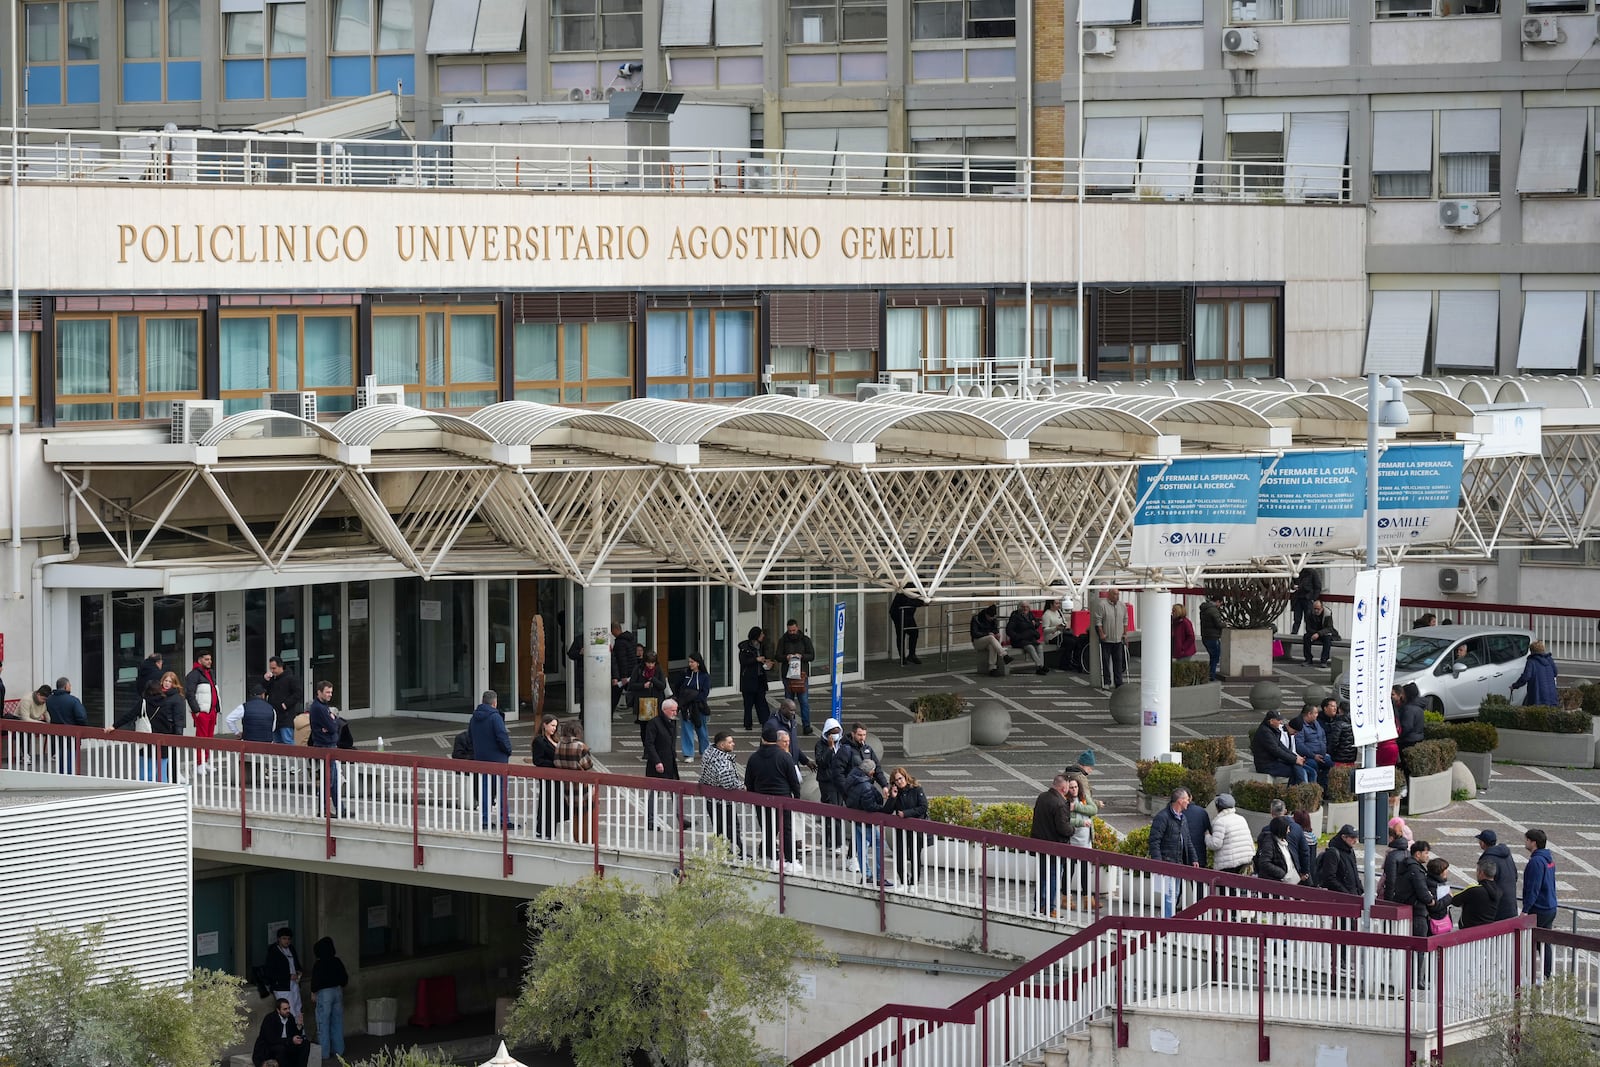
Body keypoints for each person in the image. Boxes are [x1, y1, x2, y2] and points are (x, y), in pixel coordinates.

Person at [745, 722, 802, 870]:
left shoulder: (754, 758)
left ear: (762, 739)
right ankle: (790, 860)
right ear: (776, 741)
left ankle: (772, 859)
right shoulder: (784, 757)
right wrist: (796, 797)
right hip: (783, 798)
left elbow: (748, 782)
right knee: (786, 829)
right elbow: (793, 781)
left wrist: (753, 796)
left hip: (761, 799)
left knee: (768, 829)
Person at [1149, 788, 1200, 917]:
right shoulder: (1163, 817)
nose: (1189, 802)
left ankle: (1168, 921)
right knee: (1170, 895)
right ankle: (1168, 923)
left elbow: (1187, 840)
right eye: (1187, 800)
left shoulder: (1182, 818)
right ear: (1180, 801)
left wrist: (1194, 859)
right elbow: (1154, 841)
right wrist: (1158, 863)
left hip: (1177, 862)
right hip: (1167, 862)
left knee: (1174, 893)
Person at [842, 757, 891, 887]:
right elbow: (870, 806)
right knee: (878, 843)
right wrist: (883, 809)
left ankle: (867, 875)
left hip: (856, 819)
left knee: (861, 848)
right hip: (866, 820)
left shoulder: (851, 778)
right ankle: (879, 876)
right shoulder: (866, 786)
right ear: (871, 771)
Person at [469, 690, 513, 830]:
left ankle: (485, 819)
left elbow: (470, 736)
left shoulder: (474, 718)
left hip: (481, 759)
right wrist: (508, 750)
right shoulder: (495, 717)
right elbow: (502, 736)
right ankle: (504, 819)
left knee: (485, 790)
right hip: (498, 759)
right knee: (501, 790)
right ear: (495, 702)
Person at [1031, 775, 1074, 918]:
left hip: (1040, 845)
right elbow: (1063, 829)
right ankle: (1051, 908)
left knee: (1043, 877)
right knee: (1053, 878)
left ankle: (1039, 906)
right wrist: (1073, 829)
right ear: (1064, 787)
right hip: (1055, 847)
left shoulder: (1042, 797)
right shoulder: (1060, 804)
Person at [698, 730, 745, 859]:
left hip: (711, 799)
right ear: (722, 745)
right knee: (732, 828)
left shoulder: (708, 753)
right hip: (723, 801)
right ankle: (736, 852)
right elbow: (729, 784)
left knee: (719, 828)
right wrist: (743, 787)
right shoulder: (722, 762)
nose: (733, 744)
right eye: (730, 742)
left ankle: (722, 851)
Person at [885, 767, 929, 890]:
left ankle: (914, 882)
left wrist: (906, 813)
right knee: (900, 855)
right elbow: (887, 811)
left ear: (905, 777)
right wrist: (892, 797)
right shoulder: (896, 792)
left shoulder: (916, 789)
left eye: (900, 778)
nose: (899, 782)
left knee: (915, 855)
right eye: (896, 780)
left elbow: (923, 807)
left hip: (915, 828)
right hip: (900, 829)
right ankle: (903, 881)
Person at [1523, 828, 1558, 979]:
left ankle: (1532, 975)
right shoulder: (1548, 859)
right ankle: (1546, 974)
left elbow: (1533, 888)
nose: (1525, 842)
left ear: (1533, 842)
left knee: (1532, 941)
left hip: (1540, 908)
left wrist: (1525, 910)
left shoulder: (1536, 861)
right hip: (1550, 906)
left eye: (1527, 840)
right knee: (1545, 943)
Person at [643, 698, 683, 831]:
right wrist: (657, 761)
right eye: (672, 710)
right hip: (658, 764)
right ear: (664, 710)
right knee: (654, 793)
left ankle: (681, 819)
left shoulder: (672, 722)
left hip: (670, 762)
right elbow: (649, 744)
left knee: (675, 791)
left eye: (676, 710)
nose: (675, 713)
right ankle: (650, 821)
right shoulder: (654, 723)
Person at [1061, 774, 1098, 909]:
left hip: (1085, 841)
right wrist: (1081, 822)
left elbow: (1093, 809)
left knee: (1084, 871)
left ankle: (1088, 900)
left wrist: (1076, 807)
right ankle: (1066, 898)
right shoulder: (1064, 801)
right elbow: (1066, 821)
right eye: (1071, 787)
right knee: (1068, 871)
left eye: (1076, 787)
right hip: (1073, 841)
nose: (1074, 790)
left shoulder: (1083, 798)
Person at [309, 937, 348, 1061]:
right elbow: (344, 979)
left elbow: (315, 982)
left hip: (324, 994)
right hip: (337, 991)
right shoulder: (337, 961)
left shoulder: (319, 964)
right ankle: (339, 1051)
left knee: (323, 1023)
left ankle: (324, 1053)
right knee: (337, 1022)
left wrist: (314, 992)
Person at [775, 619, 816, 734]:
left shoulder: (805, 640)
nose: (792, 632)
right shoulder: (783, 640)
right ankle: (788, 725)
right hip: (788, 676)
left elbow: (812, 655)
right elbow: (777, 656)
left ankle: (806, 726)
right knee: (788, 702)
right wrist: (786, 657)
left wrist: (801, 656)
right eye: (790, 631)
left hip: (801, 675)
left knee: (804, 701)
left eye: (793, 630)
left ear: (797, 628)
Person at [307, 680, 341, 816]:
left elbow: (331, 726)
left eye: (331, 692)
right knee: (329, 780)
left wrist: (332, 721)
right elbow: (333, 727)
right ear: (319, 692)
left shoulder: (322, 706)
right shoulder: (319, 708)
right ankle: (324, 809)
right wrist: (333, 720)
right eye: (327, 692)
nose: (329, 695)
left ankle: (339, 808)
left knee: (333, 780)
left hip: (329, 745)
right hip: (325, 746)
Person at [1251, 709, 1311, 784]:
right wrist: (1294, 759)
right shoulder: (1265, 732)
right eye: (1278, 720)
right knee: (1296, 771)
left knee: (1297, 768)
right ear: (1271, 721)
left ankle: (1294, 792)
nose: (1280, 722)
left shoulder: (1272, 730)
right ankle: (1297, 791)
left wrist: (1295, 757)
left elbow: (1281, 746)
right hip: (1266, 765)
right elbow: (1276, 750)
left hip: (1273, 762)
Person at [1475, 829, 1519, 921]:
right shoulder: (1507, 855)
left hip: (1498, 909)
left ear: (1483, 843)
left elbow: (1485, 883)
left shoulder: (1487, 859)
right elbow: (1515, 875)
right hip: (1511, 905)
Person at [261, 928, 304, 1021]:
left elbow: (296, 963)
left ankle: (299, 1032)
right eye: (284, 939)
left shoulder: (291, 948)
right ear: (278, 939)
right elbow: (270, 972)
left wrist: (298, 971)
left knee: (298, 1008)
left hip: (294, 983)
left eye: (288, 939)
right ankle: (289, 1034)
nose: (287, 941)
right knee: (288, 1010)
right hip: (281, 986)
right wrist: (288, 976)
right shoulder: (274, 951)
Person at [677, 652, 712, 764]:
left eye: (692, 662)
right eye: (689, 662)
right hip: (686, 706)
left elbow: (705, 692)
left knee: (701, 729)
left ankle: (705, 751)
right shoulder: (685, 674)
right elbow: (678, 687)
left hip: (699, 707)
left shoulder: (705, 676)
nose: (690, 664)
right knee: (686, 730)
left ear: (698, 663)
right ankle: (688, 754)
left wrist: (694, 698)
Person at [252, 999, 309, 1067]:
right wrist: (291, 1040)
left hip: (286, 1044)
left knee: (305, 1043)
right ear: (278, 1010)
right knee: (281, 1049)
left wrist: (299, 1026)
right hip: (269, 1047)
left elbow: (294, 1034)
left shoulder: (290, 1017)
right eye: (285, 1009)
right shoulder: (270, 1019)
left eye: (288, 1008)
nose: (288, 1011)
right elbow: (271, 1039)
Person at [1207, 793, 1254, 875]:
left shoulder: (1220, 822)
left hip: (1228, 863)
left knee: (1227, 887)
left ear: (1218, 807)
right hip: (1245, 860)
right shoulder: (1241, 818)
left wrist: (1207, 836)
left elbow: (1215, 844)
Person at [531, 714, 561, 839]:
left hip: (558, 777)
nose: (554, 728)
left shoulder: (556, 739)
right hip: (547, 776)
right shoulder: (539, 741)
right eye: (552, 725)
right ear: (545, 724)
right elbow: (537, 760)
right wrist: (555, 764)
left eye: (556, 726)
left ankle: (550, 831)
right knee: (547, 803)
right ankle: (544, 831)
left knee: (554, 804)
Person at [629, 650, 668, 747]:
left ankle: (653, 747)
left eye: (652, 663)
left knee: (655, 726)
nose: (650, 665)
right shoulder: (638, 669)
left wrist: (653, 679)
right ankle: (646, 748)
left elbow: (663, 685)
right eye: (648, 663)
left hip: (656, 701)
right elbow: (632, 685)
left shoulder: (658, 670)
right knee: (644, 727)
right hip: (643, 702)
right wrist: (643, 685)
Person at [738, 626, 773, 731]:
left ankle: (765, 722)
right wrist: (756, 659)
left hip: (760, 678)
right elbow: (743, 662)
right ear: (756, 636)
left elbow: (765, 657)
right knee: (748, 703)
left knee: (761, 702)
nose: (763, 636)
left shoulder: (762, 646)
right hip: (748, 679)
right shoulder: (745, 648)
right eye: (761, 634)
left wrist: (767, 662)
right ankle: (748, 724)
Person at [1452, 858, 1504, 929]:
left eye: (1477, 871)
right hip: (1487, 930)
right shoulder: (1499, 891)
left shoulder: (1474, 890)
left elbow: (1455, 901)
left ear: (1481, 873)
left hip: (1469, 930)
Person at [765, 699, 816, 772]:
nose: (793, 713)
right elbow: (766, 747)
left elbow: (793, 745)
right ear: (783, 708)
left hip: (793, 765)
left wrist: (806, 761)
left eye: (794, 711)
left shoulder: (792, 723)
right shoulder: (772, 725)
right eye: (791, 710)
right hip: (779, 767)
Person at [1093, 590, 1128, 689]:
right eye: (1115, 594)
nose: (1117, 596)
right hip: (1107, 638)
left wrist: (1125, 634)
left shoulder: (1122, 606)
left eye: (1118, 594)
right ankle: (1106, 682)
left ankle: (1118, 682)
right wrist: (1101, 634)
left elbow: (1125, 620)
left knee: (1118, 661)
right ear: (1109, 595)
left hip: (1118, 638)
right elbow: (1098, 621)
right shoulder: (1102, 605)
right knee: (1105, 661)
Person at [265, 657, 303, 746]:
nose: (272, 671)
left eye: (274, 668)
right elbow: (265, 691)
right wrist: (266, 680)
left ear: (280, 666)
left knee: (287, 741)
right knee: (277, 742)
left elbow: (298, 693)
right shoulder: (273, 680)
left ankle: (293, 759)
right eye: (270, 668)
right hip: (275, 717)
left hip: (286, 717)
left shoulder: (291, 679)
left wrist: (286, 704)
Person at [1253, 817, 1303, 884]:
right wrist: (1283, 874)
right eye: (1287, 828)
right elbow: (1264, 863)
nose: (1289, 831)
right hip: (1275, 882)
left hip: (1289, 880)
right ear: (1282, 830)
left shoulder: (1285, 841)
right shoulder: (1269, 843)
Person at [1317, 824, 1363, 896]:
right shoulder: (1333, 853)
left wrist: (1361, 891)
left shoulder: (1350, 850)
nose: (1355, 840)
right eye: (1352, 837)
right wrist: (1345, 893)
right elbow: (1329, 878)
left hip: (1353, 894)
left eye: (1356, 837)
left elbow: (1355, 874)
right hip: (1341, 896)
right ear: (1344, 837)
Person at [1511, 640, 1559, 707]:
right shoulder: (1549, 659)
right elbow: (1555, 673)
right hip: (1551, 695)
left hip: (1538, 695)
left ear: (1532, 651)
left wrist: (1515, 686)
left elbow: (1525, 677)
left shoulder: (1531, 662)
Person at [1294, 703, 1332, 790]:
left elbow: (1323, 736)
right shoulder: (1299, 725)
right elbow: (1299, 745)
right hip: (1308, 757)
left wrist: (1324, 749)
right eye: (1315, 713)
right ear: (1309, 714)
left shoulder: (1316, 723)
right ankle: (1314, 791)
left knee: (1331, 763)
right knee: (1313, 765)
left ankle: (1324, 790)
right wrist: (1313, 756)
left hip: (1321, 755)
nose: (1317, 715)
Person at [1006, 601, 1048, 675]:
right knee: (1030, 647)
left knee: (1039, 647)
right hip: (1019, 640)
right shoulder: (1015, 616)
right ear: (1019, 608)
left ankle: (1040, 668)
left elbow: (1036, 623)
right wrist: (1017, 637)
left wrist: (1036, 624)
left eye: (1027, 607)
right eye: (1023, 607)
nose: (1025, 608)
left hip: (1029, 638)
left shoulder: (1030, 614)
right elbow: (1009, 630)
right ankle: (1040, 666)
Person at [185, 651, 217, 741]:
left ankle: (207, 755)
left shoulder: (210, 673)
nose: (210, 661)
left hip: (212, 710)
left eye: (210, 659)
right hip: (202, 712)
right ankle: (201, 755)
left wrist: (216, 708)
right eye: (206, 659)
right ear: (199, 660)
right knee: (202, 738)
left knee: (210, 737)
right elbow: (189, 694)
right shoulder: (193, 674)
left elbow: (214, 691)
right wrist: (197, 711)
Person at [1395, 684, 1427, 773]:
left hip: (1407, 741)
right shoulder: (1419, 706)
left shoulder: (1408, 709)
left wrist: (1398, 736)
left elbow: (1406, 726)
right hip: (1418, 738)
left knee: (1406, 767)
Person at [610, 621, 639, 712]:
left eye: (612, 631)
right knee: (633, 692)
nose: (611, 633)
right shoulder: (630, 640)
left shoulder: (620, 643)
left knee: (615, 694)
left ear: (615, 629)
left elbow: (622, 660)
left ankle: (609, 714)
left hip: (623, 674)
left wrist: (623, 676)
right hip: (632, 671)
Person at [1321, 697, 1358, 767]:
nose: (1335, 708)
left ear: (1340, 710)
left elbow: (1334, 741)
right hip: (1351, 758)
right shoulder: (1354, 723)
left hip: (1339, 758)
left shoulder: (1338, 724)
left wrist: (1330, 752)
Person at [890, 591, 924, 665]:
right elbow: (908, 601)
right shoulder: (907, 589)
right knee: (901, 634)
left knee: (914, 633)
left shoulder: (917, 589)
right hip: (898, 614)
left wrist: (923, 601)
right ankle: (903, 658)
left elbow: (918, 600)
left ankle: (911, 655)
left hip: (907, 614)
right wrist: (922, 602)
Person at [970, 604, 1006, 676]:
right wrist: (987, 634)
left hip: (989, 641)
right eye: (990, 617)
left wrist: (997, 634)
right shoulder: (976, 619)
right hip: (978, 642)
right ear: (986, 614)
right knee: (990, 637)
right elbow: (974, 633)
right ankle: (1004, 654)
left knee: (992, 645)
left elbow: (995, 630)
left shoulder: (993, 619)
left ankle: (992, 668)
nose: (991, 618)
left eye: (993, 617)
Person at [1301, 600, 1336, 666]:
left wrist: (1319, 633)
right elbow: (1308, 627)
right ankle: (1308, 659)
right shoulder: (1309, 613)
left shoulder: (1327, 614)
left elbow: (1329, 628)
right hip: (1313, 632)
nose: (1316, 611)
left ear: (1322, 608)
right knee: (1306, 637)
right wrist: (1314, 633)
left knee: (1327, 640)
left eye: (1318, 609)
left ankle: (1324, 660)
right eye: (1315, 609)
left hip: (1323, 632)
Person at [1199, 593, 1224, 681]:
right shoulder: (1213, 610)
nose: (1220, 605)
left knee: (1212, 656)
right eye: (1220, 603)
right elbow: (1218, 624)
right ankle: (1211, 675)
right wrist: (1225, 624)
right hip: (1213, 636)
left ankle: (1209, 674)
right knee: (1215, 657)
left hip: (1205, 636)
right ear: (1217, 601)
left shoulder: (1204, 609)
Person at [1289, 568, 1322, 635]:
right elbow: (1291, 584)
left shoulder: (1312, 572)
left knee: (1308, 618)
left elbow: (1318, 587)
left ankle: (1308, 633)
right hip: (1298, 599)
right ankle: (1295, 633)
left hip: (1308, 599)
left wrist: (1313, 599)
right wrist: (1293, 586)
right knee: (1297, 619)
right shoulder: (1296, 572)